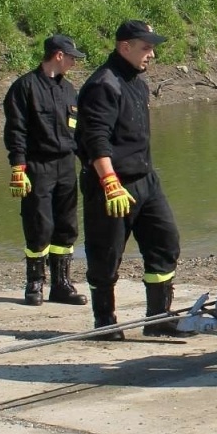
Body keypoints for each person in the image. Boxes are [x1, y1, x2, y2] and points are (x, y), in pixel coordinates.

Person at [76, 19, 187, 340]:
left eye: (152, 48)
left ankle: (158, 318)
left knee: (166, 242)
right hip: (111, 185)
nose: (151, 54)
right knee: (106, 254)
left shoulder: (136, 83)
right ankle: (106, 323)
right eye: (146, 47)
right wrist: (110, 183)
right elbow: (95, 139)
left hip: (145, 180)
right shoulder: (102, 85)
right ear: (125, 47)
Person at [2, 34, 88, 307]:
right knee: (39, 225)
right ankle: (35, 283)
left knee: (66, 227)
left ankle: (61, 285)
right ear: (58, 55)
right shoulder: (24, 88)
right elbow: (16, 131)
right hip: (37, 166)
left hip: (65, 164)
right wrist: (18, 167)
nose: (75, 61)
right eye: (72, 56)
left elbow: (79, 130)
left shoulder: (69, 90)